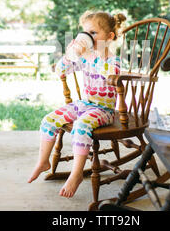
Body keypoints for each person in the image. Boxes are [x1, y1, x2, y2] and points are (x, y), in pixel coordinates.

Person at [27, 10, 127, 198]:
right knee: (49, 120)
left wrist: (89, 55)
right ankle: (43, 161)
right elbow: (60, 70)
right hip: (85, 104)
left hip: (104, 110)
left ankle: (77, 173)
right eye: (86, 33)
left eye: (94, 33)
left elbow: (110, 74)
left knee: (81, 125)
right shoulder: (85, 58)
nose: (88, 37)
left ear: (110, 36)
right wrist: (70, 55)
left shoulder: (113, 60)